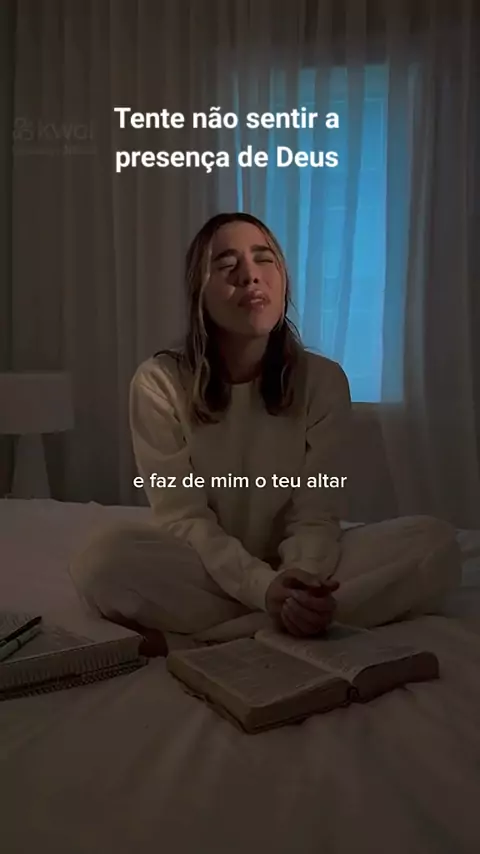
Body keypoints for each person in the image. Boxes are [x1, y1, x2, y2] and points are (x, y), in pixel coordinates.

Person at [69, 212, 461, 655]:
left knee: (435, 547)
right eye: (226, 265)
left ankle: (233, 632)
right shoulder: (159, 382)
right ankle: (291, 619)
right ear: (200, 293)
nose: (250, 275)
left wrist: (300, 579)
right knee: (100, 562)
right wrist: (263, 588)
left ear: (283, 282)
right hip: (205, 566)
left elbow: (316, 512)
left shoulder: (323, 380)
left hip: (299, 564)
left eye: (264, 259)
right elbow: (184, 517)